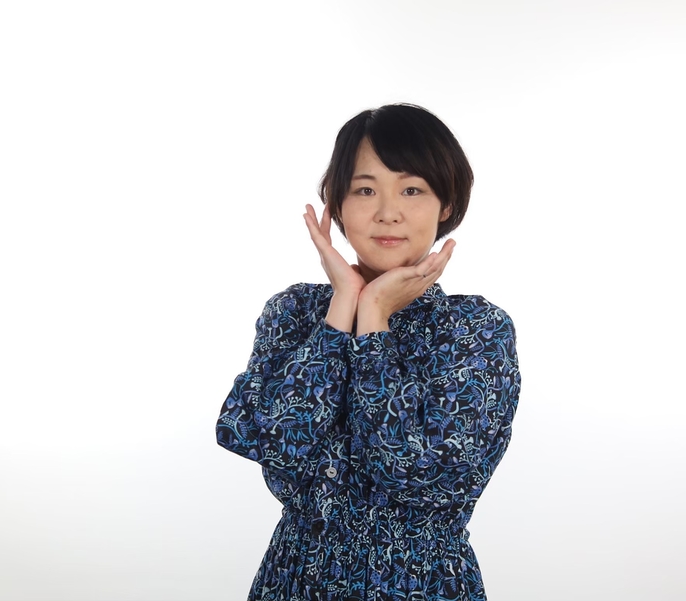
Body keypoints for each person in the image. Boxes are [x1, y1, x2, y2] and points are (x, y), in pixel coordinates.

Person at [216, 103, 521, 601]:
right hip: (294, 581)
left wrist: (374, 316)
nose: (387, 212)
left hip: (419, 584)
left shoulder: (474, 328)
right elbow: (272, 444)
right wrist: (344, 305)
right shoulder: (296, 311)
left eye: (412, 189)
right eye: (364, 190)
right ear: (336, 204)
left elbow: (414, 476)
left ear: (446, 204)